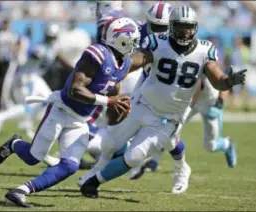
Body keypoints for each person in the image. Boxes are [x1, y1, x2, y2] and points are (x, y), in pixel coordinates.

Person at [79, 6, 247, 198]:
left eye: (189, 27)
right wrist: (115, 71)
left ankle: (94, 182)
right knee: (110, 143)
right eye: (181, 26)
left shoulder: (204, 49)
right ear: (171, 26)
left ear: (196, 27)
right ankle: (93, 172)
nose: (185, 31)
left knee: (135, 157)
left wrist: (228, 81)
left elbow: (217, 79)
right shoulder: (157, 42)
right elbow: (137, 60)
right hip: (142, 105)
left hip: (167, 118)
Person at [0, 17, 141, 208]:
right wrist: (109, 101)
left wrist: (117, 109)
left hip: (81, 120)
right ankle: (14, 144)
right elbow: (75, 89)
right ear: (120, 39)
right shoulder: (97, 54)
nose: (134, 46)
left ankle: (20, 191)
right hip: (61, 110)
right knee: (32, 158)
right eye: (132, 41)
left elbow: (114, 89)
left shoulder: (122, 64)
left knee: (70, 166)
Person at [76, 1, 173, 184]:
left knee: (166, 137)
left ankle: (119, 156)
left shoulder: (176, 41)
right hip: (132, 81)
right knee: (111, 129)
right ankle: (96, 162)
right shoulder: (133, 29)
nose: (159, 32)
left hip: (157, 92)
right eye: (156, 26)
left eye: (163, 27)